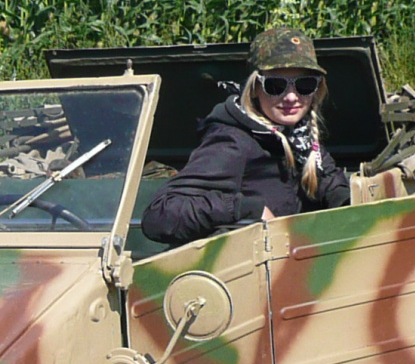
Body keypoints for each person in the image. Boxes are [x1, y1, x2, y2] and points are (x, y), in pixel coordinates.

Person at [141, 25, 351, 249]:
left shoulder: (303, 138)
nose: (291, 97)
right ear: (255, 88)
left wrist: (353, 200)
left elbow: (332, 185)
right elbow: (160, 215)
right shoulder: (232, 142)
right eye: (275, 85)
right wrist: (246, 209)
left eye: (304, 85)